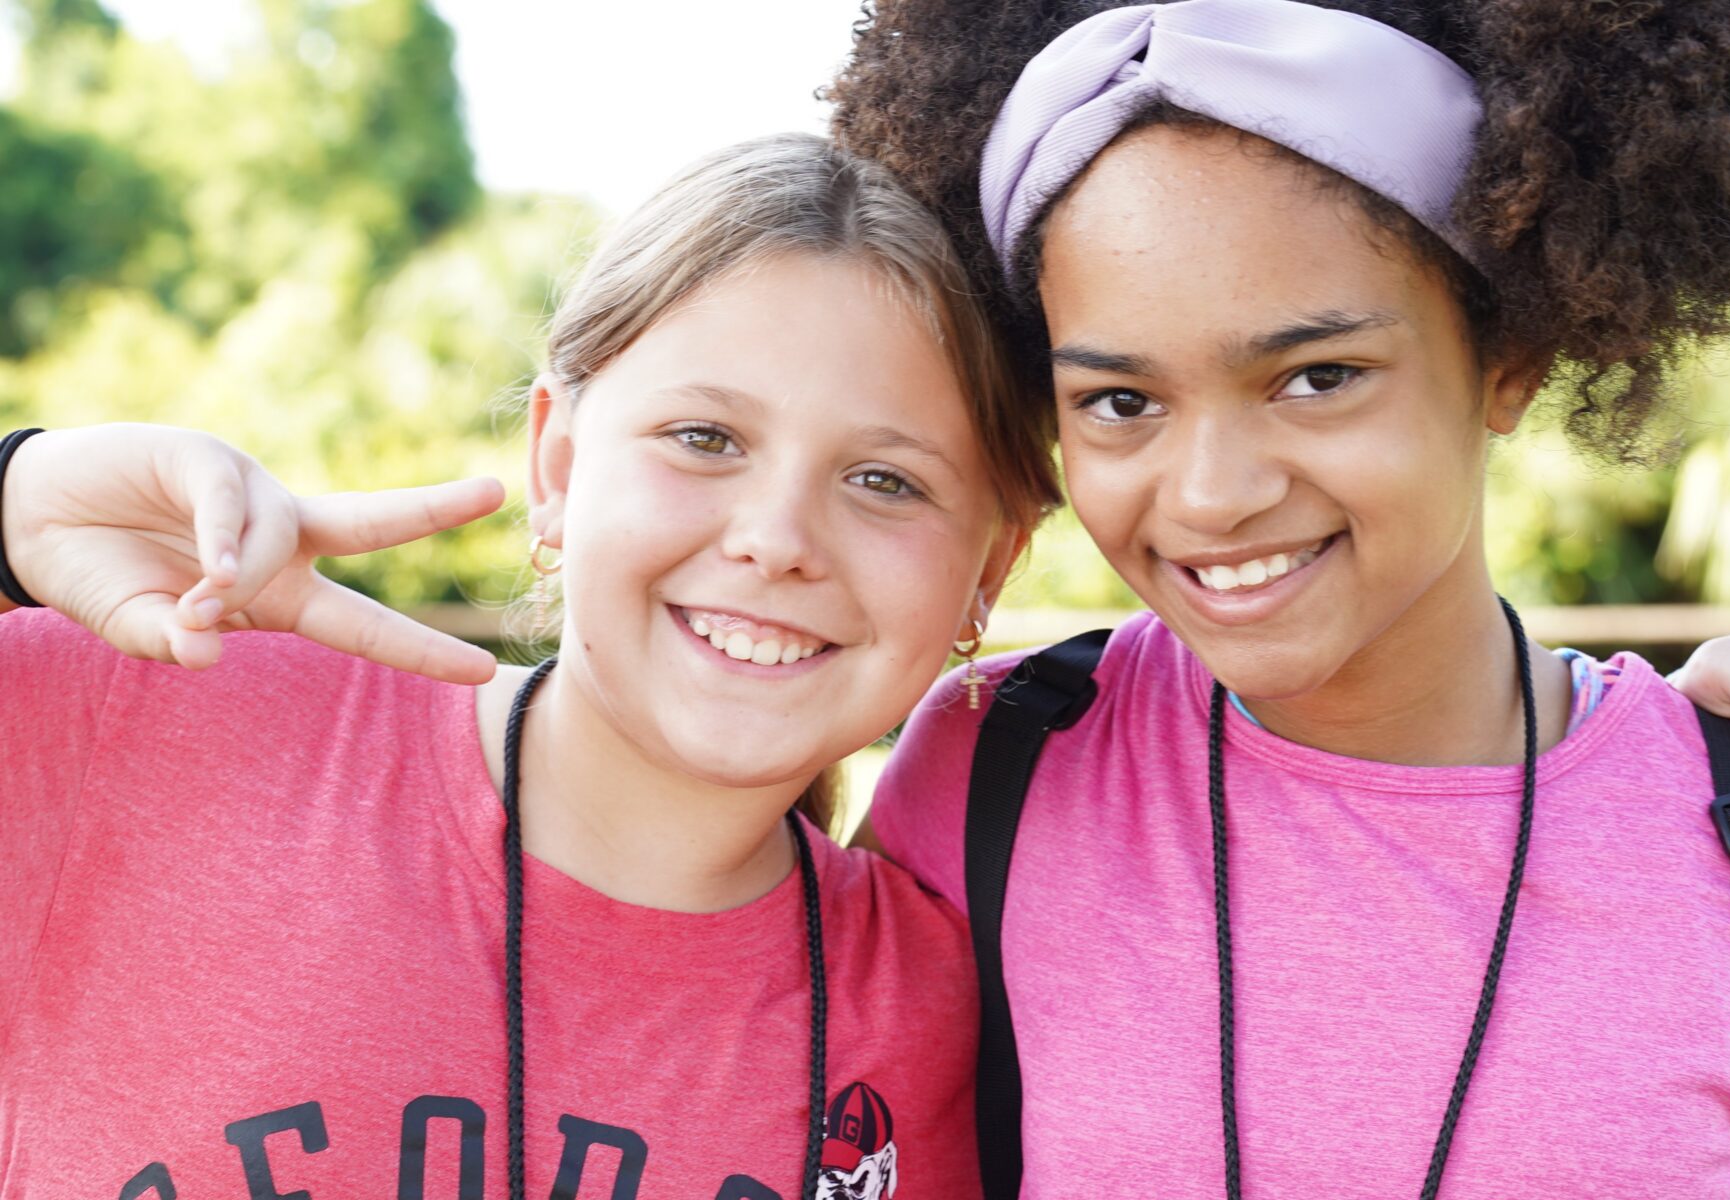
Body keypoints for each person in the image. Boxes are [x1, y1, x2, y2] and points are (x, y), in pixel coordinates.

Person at [825, 0, 1730, 1195]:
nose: (1211, 495)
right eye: (1119, 401)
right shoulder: (993, 769)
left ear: (1507, 356)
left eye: (1316, 377)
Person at [0, 133, 1059, 1200]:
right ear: (556, 461)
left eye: (883, 480)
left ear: (989, 569)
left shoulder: (932, 1011)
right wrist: (10, 500)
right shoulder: (164, 702)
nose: (777, 538)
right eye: (703, 437)